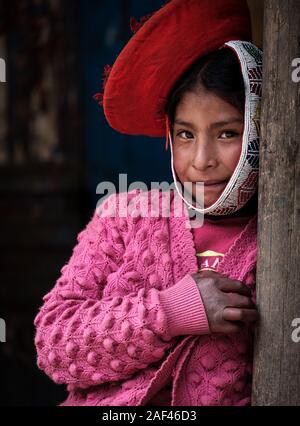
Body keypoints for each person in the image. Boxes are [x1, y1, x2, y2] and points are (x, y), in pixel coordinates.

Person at [34, 0, 263, 406]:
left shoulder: (278, 241)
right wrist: (173, 311)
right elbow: (54, 343)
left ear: (262, 133)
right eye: (186, 135)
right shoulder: (125, 217)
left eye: (227, 133)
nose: (201, 160)